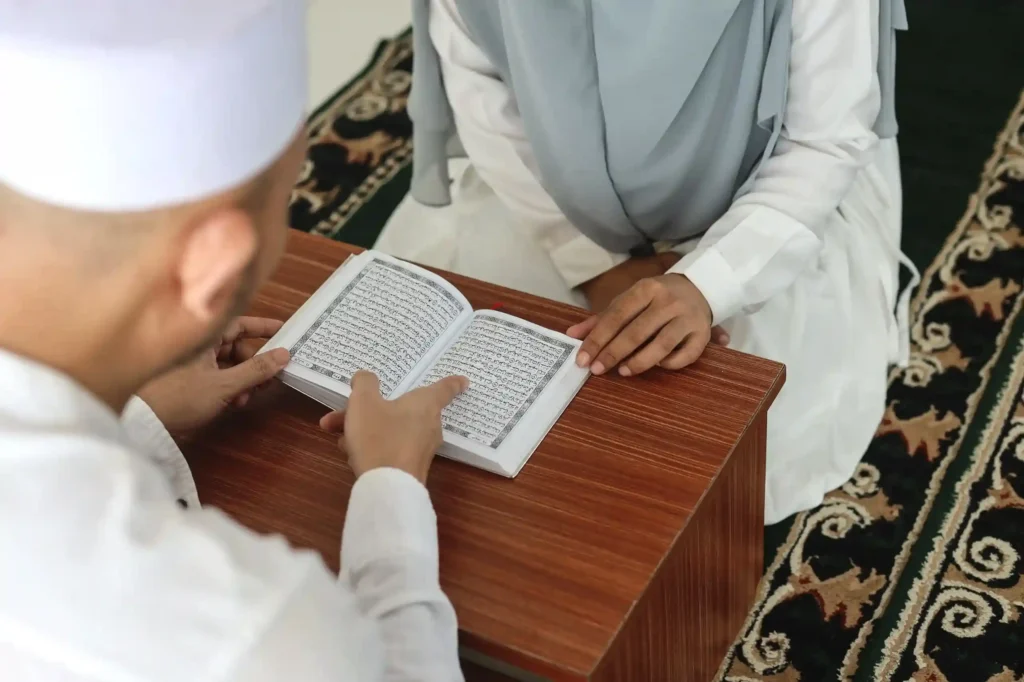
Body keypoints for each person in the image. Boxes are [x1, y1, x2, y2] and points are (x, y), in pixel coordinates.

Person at [0, 2, 466, 680]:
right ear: (213, 267)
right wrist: (390, 486)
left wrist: (144, 424)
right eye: (285, 200)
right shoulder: (253, 632)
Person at [377, 0, 922, 524]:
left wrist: (708, 284)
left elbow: (821, 142)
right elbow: (483, 89)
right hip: (547, 193)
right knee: (458, 402)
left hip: (764, 201)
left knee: (728, 454)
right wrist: (592, 261)